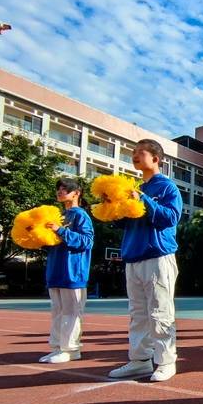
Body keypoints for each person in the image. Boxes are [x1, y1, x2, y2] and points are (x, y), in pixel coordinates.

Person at [108, 139, 182, 382]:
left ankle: (166, 361)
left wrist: (143, 199)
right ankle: (139, 360)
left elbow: (170, 217)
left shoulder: (167, 187)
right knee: (137, 313)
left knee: (160, 311)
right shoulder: (136, 188)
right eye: (133, 153)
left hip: (158, 257)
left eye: (140, 153)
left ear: (156, 158)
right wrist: (114, 208)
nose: (135, 157)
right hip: (133, 256)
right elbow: (124, 223)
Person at [41, 178, 95, 364]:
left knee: (71, 311)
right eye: (58, 189)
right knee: (57, 311)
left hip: (73, 271)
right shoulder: (59, 216)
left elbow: (87, 241)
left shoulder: (81, 216)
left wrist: (60, 231)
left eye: (65, 189)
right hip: (56, 269)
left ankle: (71, 349)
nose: (60, 191)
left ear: (76, 193)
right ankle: (57, 347)